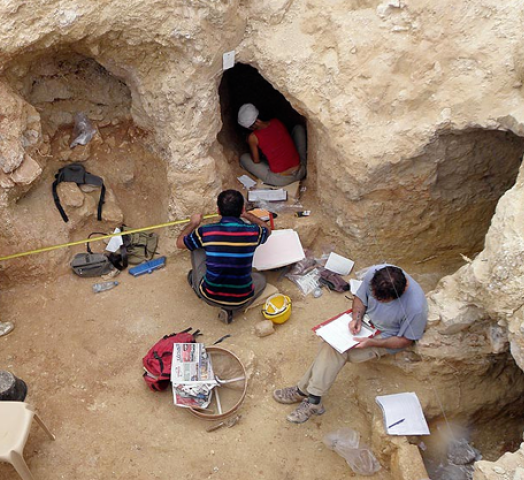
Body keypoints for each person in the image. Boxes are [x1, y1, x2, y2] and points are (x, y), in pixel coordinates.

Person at [272, 265, 427, 423]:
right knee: (330, 344)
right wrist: (357, 317)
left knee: (335, 349)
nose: (376, 300)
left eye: (382, 301)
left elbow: (405, 340)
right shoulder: (377, 274)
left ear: (397, 297)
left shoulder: (415, 308)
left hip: (384, 337)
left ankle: (306, 394)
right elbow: (360, 297)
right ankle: (310, 397)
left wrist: (372, 342)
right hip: (365, 324)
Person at [176, 190, 270, 324]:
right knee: (260, 279)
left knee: (195, 246)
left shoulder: (206, 231)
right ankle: (233, 310)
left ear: (218, 210)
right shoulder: (253, 232)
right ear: (242, 209)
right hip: (241, 298)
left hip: (210, 295)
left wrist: (194, 223)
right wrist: (248, 216)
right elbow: (267, 228)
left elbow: (180, 243)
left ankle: (195, 282)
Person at [237, 103, 307, 187]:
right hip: (301, 170)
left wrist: (249, 142)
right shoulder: (276, 121)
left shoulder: (253, 137)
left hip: (282, 179)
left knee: (244, 158)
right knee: (298, 129)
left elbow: (256, 160)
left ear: (249, 127)